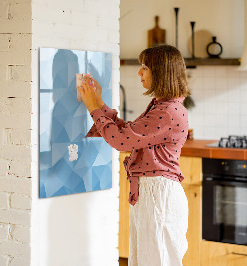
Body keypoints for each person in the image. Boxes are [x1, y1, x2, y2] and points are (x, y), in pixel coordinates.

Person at [77, 44, 190, 266]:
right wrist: (99, 103)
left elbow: (121, 141)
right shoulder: (163, 106)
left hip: (158, 196)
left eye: (145, 67)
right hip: (152, 194)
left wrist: (93, 108)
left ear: (161, 71)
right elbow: (129, 133)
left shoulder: (167, 111)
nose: (139, 72)